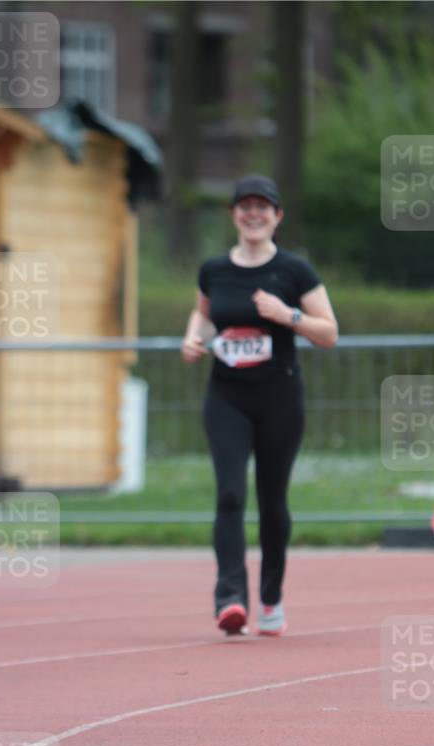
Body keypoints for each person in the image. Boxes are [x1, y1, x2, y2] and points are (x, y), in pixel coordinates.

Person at [181, 175, 338, 637]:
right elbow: (203, 314)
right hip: (226, 397)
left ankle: (271, 598)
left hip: (278, 399)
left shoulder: (294, 271)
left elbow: (329, 332)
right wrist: (193, 339)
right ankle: (230, 598)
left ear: (277, 216)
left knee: (272, 502)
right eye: (245, 206)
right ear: (233, 215)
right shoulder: (213, 270)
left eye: (262, 207)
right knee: (230, 495)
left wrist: (288, 315)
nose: (253, 214)